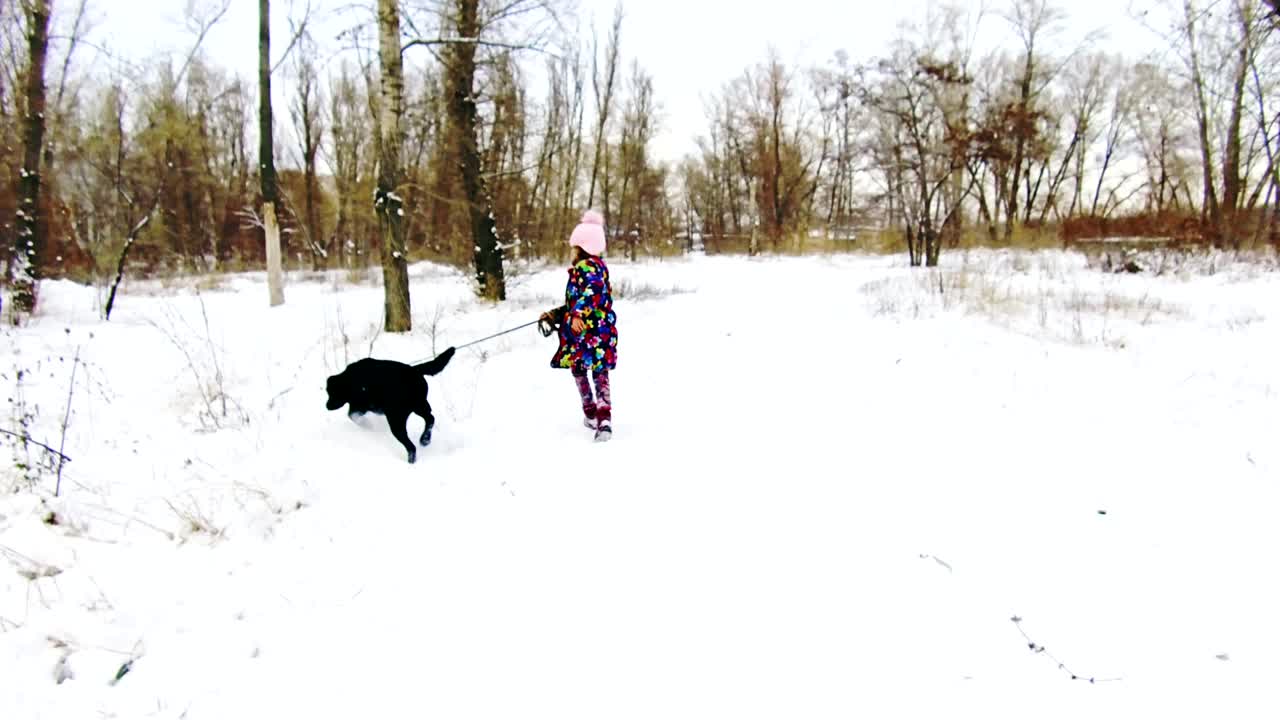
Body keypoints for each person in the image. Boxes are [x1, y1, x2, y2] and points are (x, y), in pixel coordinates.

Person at [541, 210, 618, 442]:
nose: (571, 250)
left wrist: (576, 314)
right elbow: (579, 300)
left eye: (574, 246)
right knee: (594, 370)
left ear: (582, 246)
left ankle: (597, 416)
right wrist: (557, 314)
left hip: (590, 332)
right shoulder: (591, 268)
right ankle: (598, 416)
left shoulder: (588, 267)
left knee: (587, 370)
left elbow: (591, 292)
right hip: (593, 331)